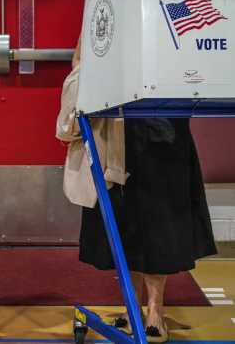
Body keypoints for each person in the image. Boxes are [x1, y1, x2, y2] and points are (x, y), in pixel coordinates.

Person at [60, 38, 217, 343]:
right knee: (123, 217)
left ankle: (155, 309)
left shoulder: (166, 4)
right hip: (116, 120)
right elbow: (81, 56)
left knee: (160, 218)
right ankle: (132, 306)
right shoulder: (104, 1)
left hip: (162, 120)